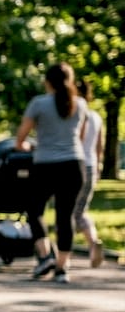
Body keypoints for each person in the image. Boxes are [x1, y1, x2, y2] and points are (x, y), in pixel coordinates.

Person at [16, 63, 88, 283]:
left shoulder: (38, 104)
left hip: (46, 165)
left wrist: (29, 146)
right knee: (65, 216)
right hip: (74, 165)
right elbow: (81, 138)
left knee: (34, 209)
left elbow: (20, 139)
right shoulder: (81, 104)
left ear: (47, 81)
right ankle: (62, 268)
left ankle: (45, 255)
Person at [72, 78, 105, 268]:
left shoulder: (76, 114)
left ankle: (64, 255)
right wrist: (99, 167)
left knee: (69, 212)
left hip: (75, 164)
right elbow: (99, 146)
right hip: (91, 165)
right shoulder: (96, 117)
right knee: (81, 210)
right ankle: (93, 245)